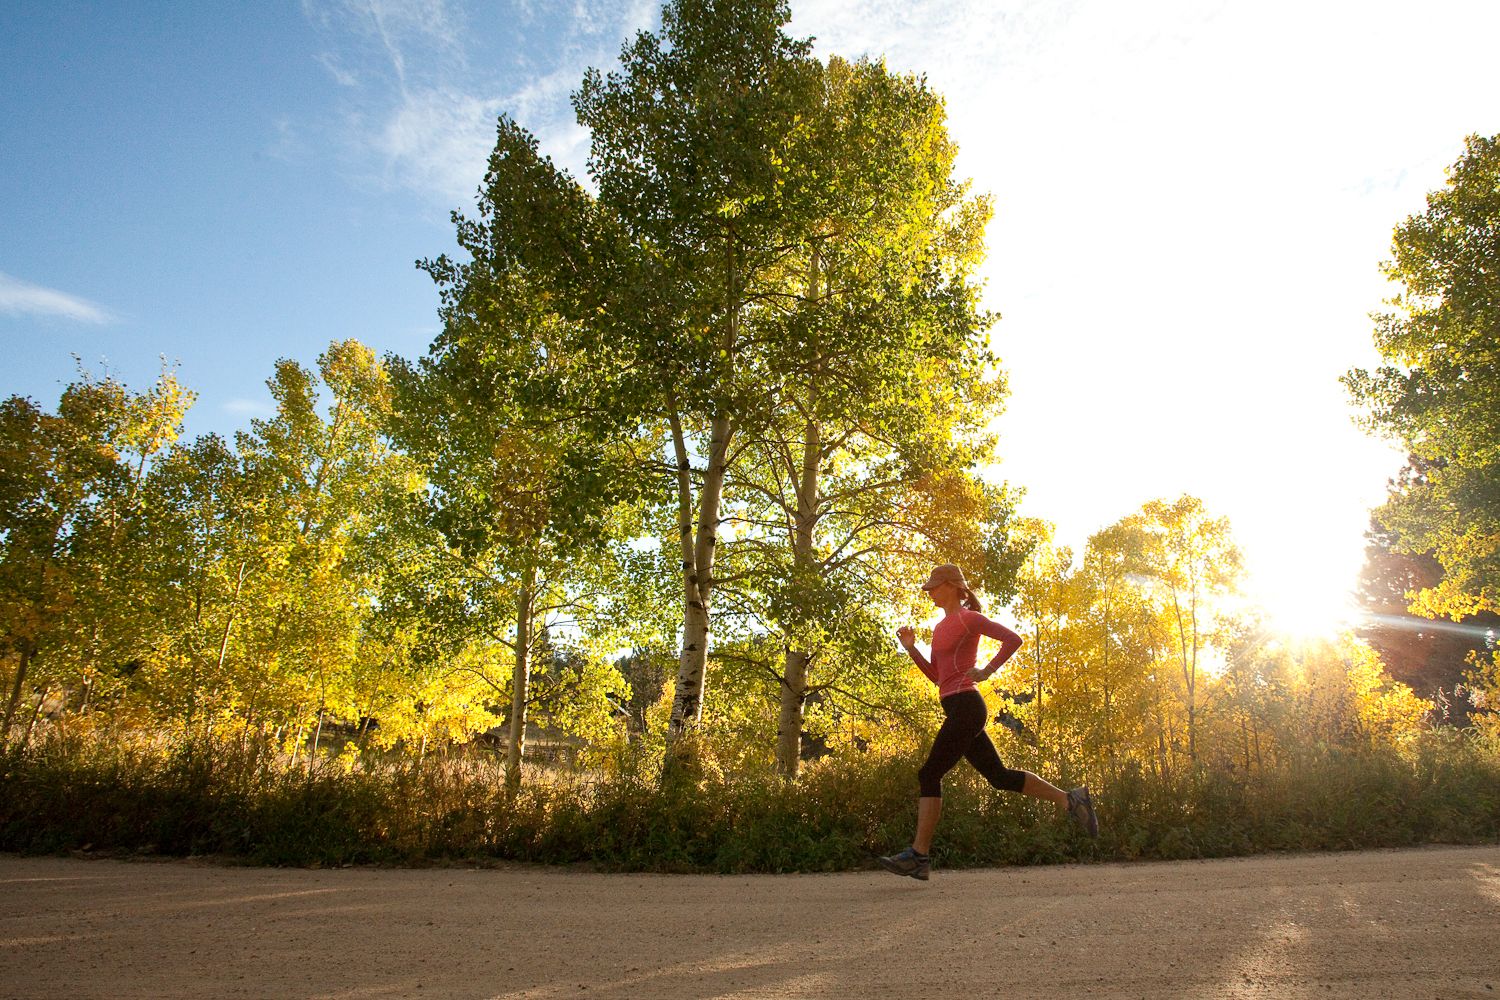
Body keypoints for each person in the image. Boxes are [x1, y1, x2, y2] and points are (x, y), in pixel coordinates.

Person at [879, 563, 1098, 881]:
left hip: (968, 705)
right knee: (999, 777)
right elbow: (938, 678)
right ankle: (1070, 799)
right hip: (955, 707)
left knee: (929, 773)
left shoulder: (970, 618)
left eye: (934, 586)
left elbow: (1013, 639)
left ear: (953, 586)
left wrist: (987, 671)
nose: (930, 592)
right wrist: (911, 649)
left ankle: (919, 855)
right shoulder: (940, 628)